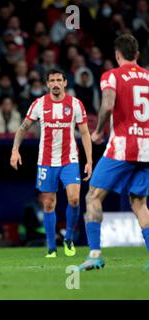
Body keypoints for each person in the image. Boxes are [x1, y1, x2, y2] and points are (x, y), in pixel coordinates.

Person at [78, 34, 149, 271]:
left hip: (123, 146)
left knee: (93, 196)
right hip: (147, 148)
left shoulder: (112, 76)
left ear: (118, 55)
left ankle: (95, 254)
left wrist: (98, 131)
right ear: (137, 55)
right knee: (139, 203)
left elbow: (108, 105)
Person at [10, 69, 93, 258]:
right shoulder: (39, 104)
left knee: (74, 199)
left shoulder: (75, 104)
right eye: (52, 81)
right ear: (47, 84)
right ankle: (51, 246)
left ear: (65, 83)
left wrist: (89, 160)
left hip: (69, 159)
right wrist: (15, 150)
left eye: (59, 80)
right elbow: (23, 128)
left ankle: (69, 237)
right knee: (48, 204)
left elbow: (86, 133)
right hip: (46, 161)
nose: (55, 84)